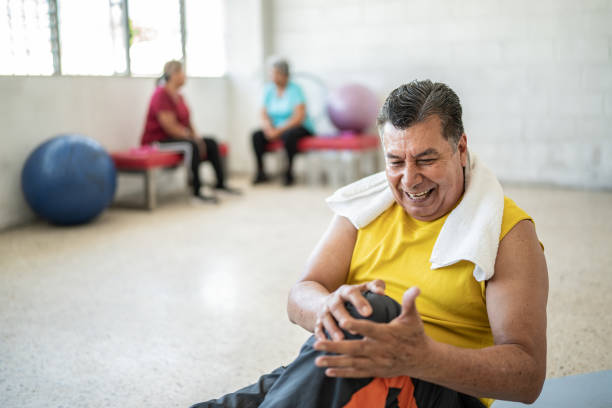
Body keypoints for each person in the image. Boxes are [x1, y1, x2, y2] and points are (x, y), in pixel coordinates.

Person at [191, 80, 548, 407]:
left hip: (440, 390)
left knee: (372, 310)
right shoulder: (365, 207)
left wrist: (421, 357)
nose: (409, 179)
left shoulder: (508, 232)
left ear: (461, 148)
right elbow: (300, 295)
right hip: (348, 367)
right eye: (395, 161)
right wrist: (327, 306)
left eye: (426, 159)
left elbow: (527, 376)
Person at [141, 60, 240, 202]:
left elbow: (188, 122)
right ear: (174, 74)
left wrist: (197, 137)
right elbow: (169, 127)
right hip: (158, 141)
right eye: (183, 73)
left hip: (178, 138)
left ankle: (220, 185)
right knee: (191, 145)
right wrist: (192, 139)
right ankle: (197, 192)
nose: (185, 76)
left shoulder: (179, 96)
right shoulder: (160, 94)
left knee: (211, 142)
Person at [251, 58, 315, 186]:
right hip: (275, 127)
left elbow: (299, 117)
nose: (273, 77)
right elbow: (263, 113)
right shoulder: (269, 89)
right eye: (272, 74)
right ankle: (261, 172)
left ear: (284, 75)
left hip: (297, 126)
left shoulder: (295, 89)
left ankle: (288, 173)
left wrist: (278, 131)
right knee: (256, 135)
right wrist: (268, 128)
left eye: (276, 74)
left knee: (289, 135)